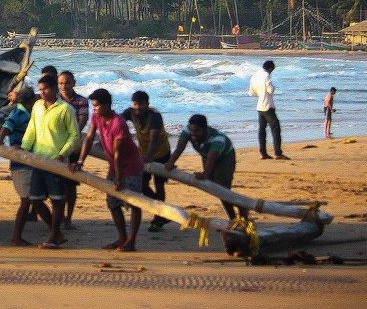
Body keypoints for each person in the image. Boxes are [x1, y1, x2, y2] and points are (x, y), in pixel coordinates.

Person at [73, 88, 144, 251]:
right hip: (115, 165)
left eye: (97, 106)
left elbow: (118, 152)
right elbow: (89, 137)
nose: (95, 109)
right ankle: (122, 237)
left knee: (134, 202)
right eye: (93, 106)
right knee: (112, 202)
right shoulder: (96, 116)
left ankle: (131, 241)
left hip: (131, 165)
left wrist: (118, 177)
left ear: (107, 105)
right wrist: (80, 161)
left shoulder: (118, 122)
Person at [20, 74, 80, 249]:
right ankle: (57, 233)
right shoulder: (37, 106)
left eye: (45, 89)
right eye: (40, 89)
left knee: (57, 200)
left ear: (54, 89)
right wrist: (24, 148)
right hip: (38, 159)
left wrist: (63, 153)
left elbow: (74, 136)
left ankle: (53, 236)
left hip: (57, 162)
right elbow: (32, 129)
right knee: (36, 199)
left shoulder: (66, 109)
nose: (42, 92)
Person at [0, 85, 51, 245]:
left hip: (32, 160)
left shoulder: (30, 110)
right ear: (29, 101)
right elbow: (7, 126)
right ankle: (17, 236)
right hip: (20, 163)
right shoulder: (18, 113)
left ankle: (55, 230)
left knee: (34, 199)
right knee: (28, 200)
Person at [165, 114, 246, 220]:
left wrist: (204, 174)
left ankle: (239, 210)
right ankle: (235, 215)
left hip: (225, 158)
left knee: (222, 190)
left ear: (205, 129)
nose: (193, 134)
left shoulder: (217, 139)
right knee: (213, 187)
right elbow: (179, 148)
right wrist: (170, 163)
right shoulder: (187, 130)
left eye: (197, 131)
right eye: (191, 130)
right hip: (206, 155)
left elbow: (211, 159)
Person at [121, 90, 172, 231]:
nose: (138, 108)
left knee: (159, 184)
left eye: (141, 104)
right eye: (136, 104)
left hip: (161, 153)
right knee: (142, 184)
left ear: (147, 104)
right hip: (143, 152)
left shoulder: (155, 116)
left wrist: (149, 157)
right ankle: (161, 212)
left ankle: (158, 217)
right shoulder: (130, 112)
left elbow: (154, 138)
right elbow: (117, 123)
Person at [57, 70, 89, 229]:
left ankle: (68, 218)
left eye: (67, 82)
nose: (64, 86)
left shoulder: (81, 101)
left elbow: (82, 121)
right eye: (61, 83)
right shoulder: (55, 100)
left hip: (74, 148)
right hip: (56, 147)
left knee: (70, 185)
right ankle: (59, 216)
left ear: (74, 83)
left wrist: (71, 137)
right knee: (57, 184)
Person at [249, 60, 288, 159]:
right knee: (276, 129)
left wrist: (260, 94)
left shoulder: (255, 76)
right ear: (270, 68)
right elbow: (270, 90)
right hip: (268, 106)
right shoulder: (266, 76)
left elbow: (251, 93)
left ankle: (263, 153)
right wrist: (271, 88)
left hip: (259, 107)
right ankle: (277, 153)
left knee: (262, 130)